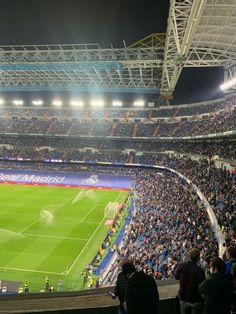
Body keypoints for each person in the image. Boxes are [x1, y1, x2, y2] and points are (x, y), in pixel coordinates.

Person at [175, 248, 205, 314]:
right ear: (198, 258)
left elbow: (176, 277)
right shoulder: (200, 271)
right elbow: (202, 286)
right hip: (195, 300)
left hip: (183, 298)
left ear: (189, 256)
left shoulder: (181, 266)